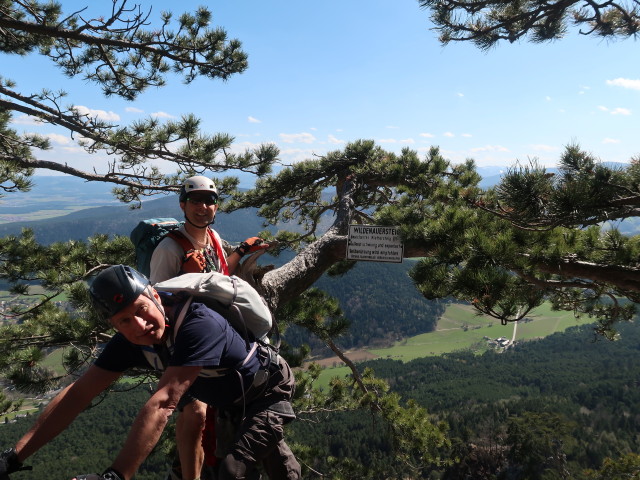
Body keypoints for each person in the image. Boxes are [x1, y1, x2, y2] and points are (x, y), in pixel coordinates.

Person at [0, 265, 300, 480]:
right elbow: (78, 395)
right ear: (115, 326)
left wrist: (117, 475)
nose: (139, 326)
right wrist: (14, 457)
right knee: (272, 461)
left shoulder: (198, 324)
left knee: (233, 470)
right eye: (124, 321)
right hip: (231, 399)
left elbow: (164, 402)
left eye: (141, 309)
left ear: (155, 295)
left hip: (267, 392)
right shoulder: (129, 342)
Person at [149, 175, 269, 480]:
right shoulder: (170, 248)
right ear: (183, 205)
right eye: (196, 201)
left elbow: (220, 276)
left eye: (209, 201)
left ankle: (207, 468)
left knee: (213, 412)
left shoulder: (212, 238)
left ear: (216, 206)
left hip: (215, 337)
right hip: (184, 344)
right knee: (196, 412)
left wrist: (241, 250)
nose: (203, 207)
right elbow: (156, 300)